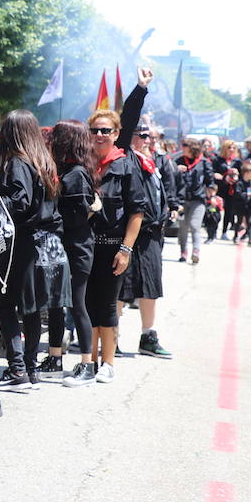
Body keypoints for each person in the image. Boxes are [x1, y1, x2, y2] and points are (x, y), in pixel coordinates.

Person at [0, 110, 70, 390]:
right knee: (32, 308)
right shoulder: (44, 161)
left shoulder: (16, 163)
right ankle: (30, 368)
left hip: (23, 243)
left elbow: (18, 203)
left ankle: (18, 369)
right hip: (44, 242)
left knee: (5, 304)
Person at [85, 71, 150, 385]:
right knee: (87, 303)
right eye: (95, 130)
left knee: (108, 304)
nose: (99, 135)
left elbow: (137, 211)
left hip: (114, 246)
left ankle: (107, 363)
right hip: (85, 247)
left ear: (116, 133)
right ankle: (90, 360)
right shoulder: (82, 164)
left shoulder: (124, 163)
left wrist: (126, 249)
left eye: (106, 130)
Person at [46, 120, 98, 387]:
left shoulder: (75, 173)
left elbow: (77, 217)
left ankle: (87, 364)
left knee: (77, 304)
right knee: (56, 302)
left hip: (76, 248)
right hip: (63, 245)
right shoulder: (68, 169)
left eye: (57, 135)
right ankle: (54, 357)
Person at [124, 122, 175, 360]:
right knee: (122, 287)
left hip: (152, 235)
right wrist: (141, 90)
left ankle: (148, 336)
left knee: (151, 287)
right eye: (143, 135)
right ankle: (110, 338)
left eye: (150, 136)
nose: (148, 140)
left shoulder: (152, 162)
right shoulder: (127, 157)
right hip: (131, 233)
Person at [176, 138, 214, 264]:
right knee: (182, 226)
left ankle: (196, 251)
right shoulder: (179, 161)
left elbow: (210, 182)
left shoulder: (204, 163)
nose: (183, 147)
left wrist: (212, 196)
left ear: (193, 148)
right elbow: (170, 178)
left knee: (194, 225)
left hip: (198, 199)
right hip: (181, 199)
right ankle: (183, 251)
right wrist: (176, 170)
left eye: (185, 145)